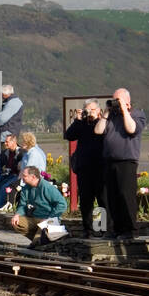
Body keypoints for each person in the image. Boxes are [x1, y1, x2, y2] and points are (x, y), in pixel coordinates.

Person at [95, 88, 146, 241]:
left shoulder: (137, 114)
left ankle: (130, 230)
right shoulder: (110, 117)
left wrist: (124, 110)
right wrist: (105, 113)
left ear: (127, 101)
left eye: (118, 100)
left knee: (126, 195)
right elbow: (98, 131)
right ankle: (115, 229)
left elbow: (132, 129)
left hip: (126, 161)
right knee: (112, 197)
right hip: (109, 161)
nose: (115, 103)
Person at [65, 100, 107, 238]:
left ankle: (101, 229)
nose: (90, 112)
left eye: (92, 109)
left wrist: (97, 118)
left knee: (102, 200)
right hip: (84, 168)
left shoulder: (103, 123)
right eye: (87, 110)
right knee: (86, 201)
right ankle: (88, 229)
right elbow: (69, 135)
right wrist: (77, 120)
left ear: (99, 110)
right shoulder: (82, 124)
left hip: (100, 168)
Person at [11, 166, 67, 248]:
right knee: (16, 222)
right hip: (34, 218)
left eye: (25, 176)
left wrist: (50, 217)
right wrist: (17, 214)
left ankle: (38, 242)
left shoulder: (47, 187)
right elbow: (22, 205)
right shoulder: (26, 188)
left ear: (33, 177)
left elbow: (62, 204)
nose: (22, 178)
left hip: (48, 219)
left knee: (36, 243)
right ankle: (39, 240)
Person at [0, 84, 24, 163]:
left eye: (1, 93)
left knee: (6, 158)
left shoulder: (12, 102)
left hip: (7, 134)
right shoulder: (13, 101)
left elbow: (2, 119)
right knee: (9, 157)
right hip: (10, 133)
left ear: (5, 93)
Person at [0, 133, 23, 210]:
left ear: (14, 142)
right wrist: (0, 173)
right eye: (5, 141)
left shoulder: (21, 153)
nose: (5, 143)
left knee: (5, 187)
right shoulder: (5, 152)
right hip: (7, 175)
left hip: (17, 176)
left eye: (7, 142)